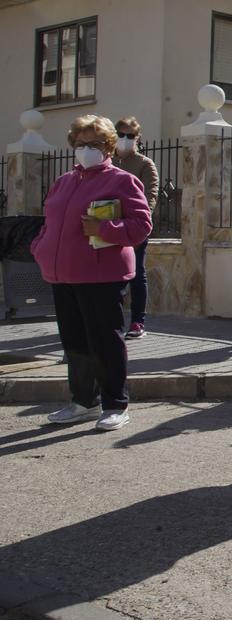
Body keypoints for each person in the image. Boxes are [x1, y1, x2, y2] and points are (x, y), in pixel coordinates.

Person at [31, 115, 153, 431]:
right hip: (63, 275)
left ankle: (115, 405)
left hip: (102, 276)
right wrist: (40, 247)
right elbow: (49, 223)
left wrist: (104, 228)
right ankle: (83, 402)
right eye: (82, 143)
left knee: (105, 342)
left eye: (95, 143)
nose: (87, 149)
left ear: (109, 147)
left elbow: (141, 226)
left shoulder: (123, 181)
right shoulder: (63, 181)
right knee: (74, 342)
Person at [112, 116, 158, 340]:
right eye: (121, 134)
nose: (125, 139)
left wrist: (141, 223)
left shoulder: (144, 164)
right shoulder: (106, 162)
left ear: (137, 138)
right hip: (109, 227)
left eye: (130, 135)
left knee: (137, 274)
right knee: (111, 277)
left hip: (134, 227)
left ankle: (138, 321)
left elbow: (151, 196)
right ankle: (113, 322)